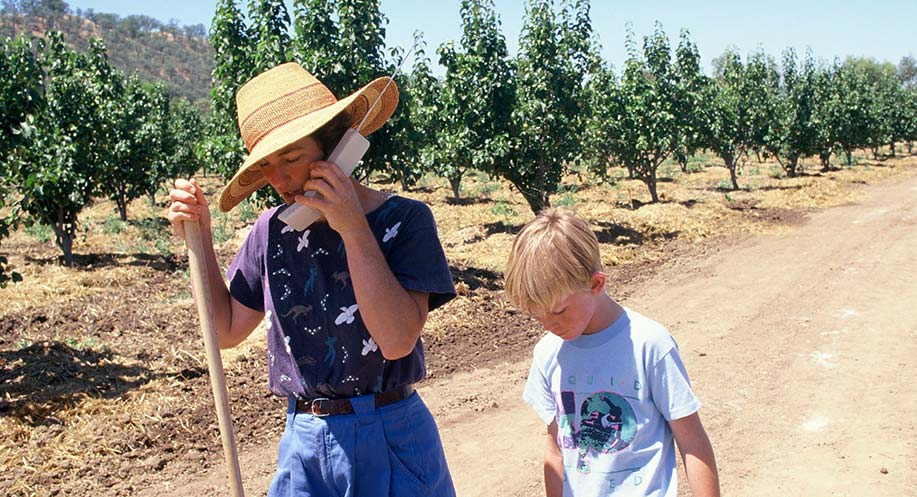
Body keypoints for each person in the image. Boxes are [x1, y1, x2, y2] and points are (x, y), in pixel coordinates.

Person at [167, 62, 457, 497]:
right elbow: (224, 329)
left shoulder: (405, 221)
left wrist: (352, 226)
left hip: (391, 433)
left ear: (339, 147)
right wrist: (201, 237)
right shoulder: (270, 232)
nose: (280, 180)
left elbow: (397, 339)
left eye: (292, 158)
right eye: (266, 165)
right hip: (304, 439)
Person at [504, 208, 720, 497]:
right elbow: (555, 450)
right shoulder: (547, 354)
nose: (548, 324)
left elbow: (692, 442)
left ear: (596, 284)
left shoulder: (650, 345)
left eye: (558, 311)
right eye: (536, 314)